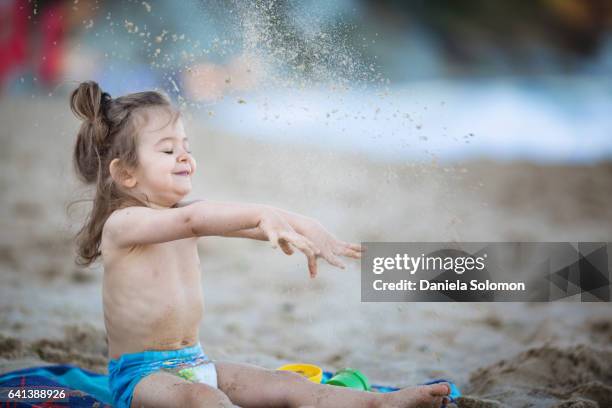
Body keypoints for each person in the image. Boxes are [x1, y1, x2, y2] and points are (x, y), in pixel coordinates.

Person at [69, 80, 451, 408]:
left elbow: (239, 226)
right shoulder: (123, 224)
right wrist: (262, 214)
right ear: (126, 174)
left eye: (186, 145)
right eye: (168, 150)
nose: (184, 155)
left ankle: (380, 403)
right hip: (140, 379)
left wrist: (306, 227)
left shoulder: (182, 217)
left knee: (289, 386)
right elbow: (195, 220)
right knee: (205, 400)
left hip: (194, 360)